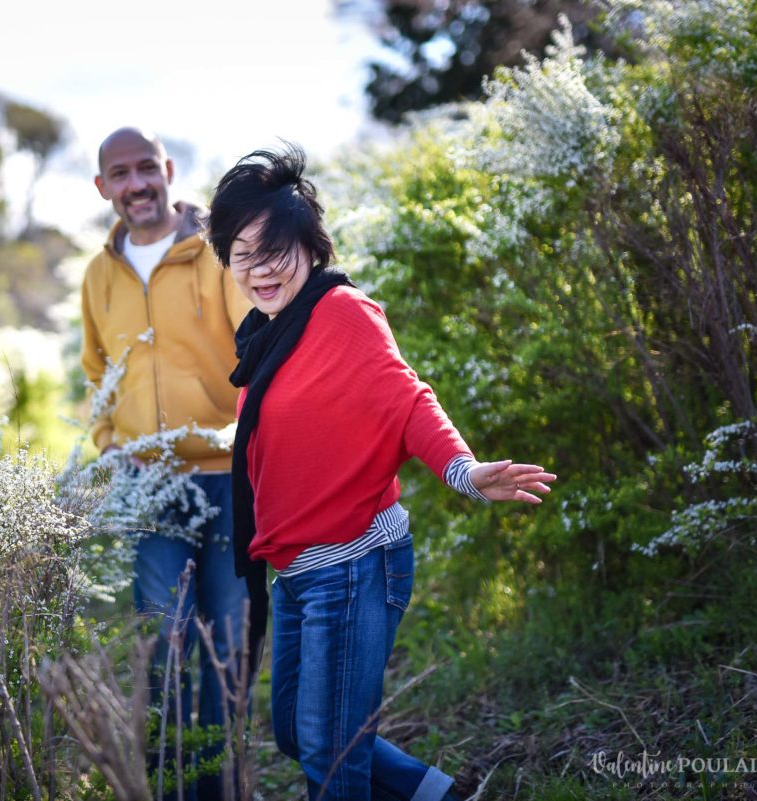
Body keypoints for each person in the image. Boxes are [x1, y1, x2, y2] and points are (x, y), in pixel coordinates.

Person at [206, 145, 557, 801]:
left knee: (331, 756)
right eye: (241, 253)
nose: (259, 268)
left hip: (353, 560)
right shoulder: (268, 332)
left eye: (274, 248)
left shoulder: (342, 313)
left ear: (310, 245)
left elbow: (407, 397)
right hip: (300, 571)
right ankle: (444, 795)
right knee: (297, 734)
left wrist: (464, 470)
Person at [80, 127, 254, 798]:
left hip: (226, 477)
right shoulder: (100, 272)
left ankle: (222, 783)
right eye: (120, 174)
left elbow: (256, 340)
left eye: (146, 168)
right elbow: (96, 366)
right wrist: (106, 438)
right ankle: (177, 787)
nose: (136, 185)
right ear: (103, 187)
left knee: (229, 648)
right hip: (146, 487)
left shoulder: (215, 250)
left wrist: (248, 432)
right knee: (165, 647)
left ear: (169, 170)